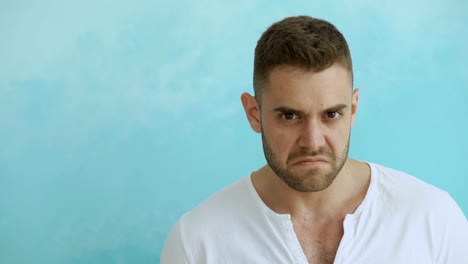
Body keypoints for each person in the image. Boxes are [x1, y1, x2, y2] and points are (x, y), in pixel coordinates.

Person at [161, 15, 468, 264]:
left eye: (331, 115)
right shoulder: (198, 242)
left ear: (354, 109)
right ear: (254, 113)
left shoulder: (431, 217)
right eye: (290, 116)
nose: (312, 141)